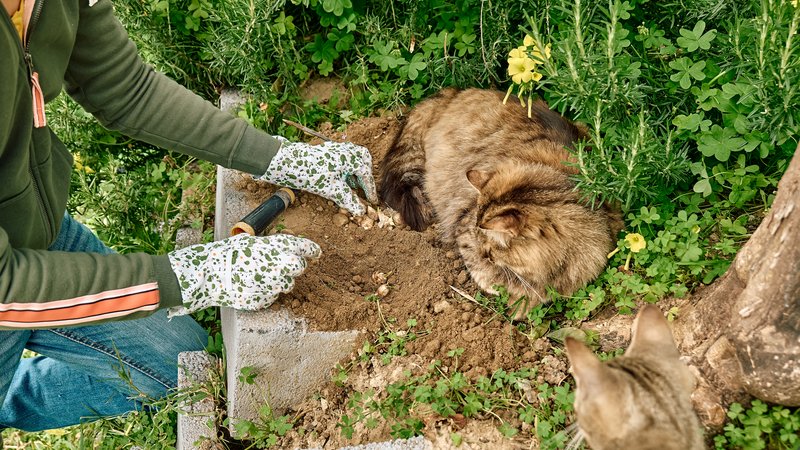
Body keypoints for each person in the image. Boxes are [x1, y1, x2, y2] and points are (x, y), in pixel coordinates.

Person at [0, 0, 377, 434]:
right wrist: (195, 275)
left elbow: (127, 89)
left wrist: (282, 158)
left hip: (34, 234)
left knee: (177, 361)